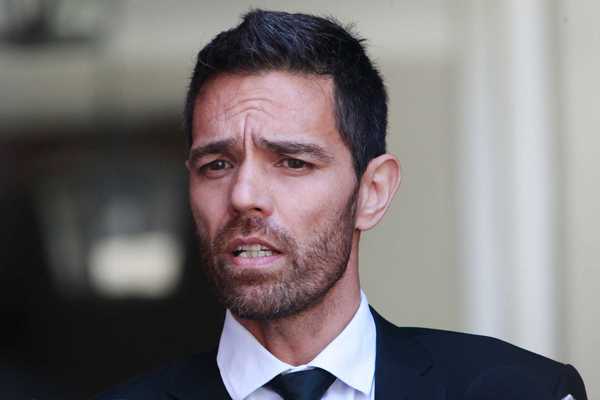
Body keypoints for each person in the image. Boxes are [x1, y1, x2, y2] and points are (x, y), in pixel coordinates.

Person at [97, 9, 587, 400]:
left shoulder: (521, 391)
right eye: (217, 165)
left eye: (292, 162)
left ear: (372, 192)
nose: (243, 196)